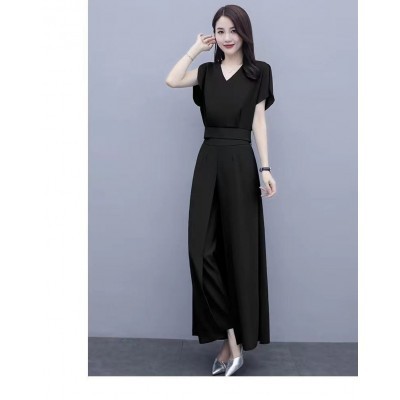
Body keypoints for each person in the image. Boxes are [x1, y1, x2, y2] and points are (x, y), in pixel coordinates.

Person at [165, 4, 276, 376]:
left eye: (233, 30)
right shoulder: (207, 72)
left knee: (239, 254)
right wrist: (195, 49)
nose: (227, 37)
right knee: (201, 252)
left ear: (244, 33)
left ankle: (234, 347)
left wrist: (265, 168)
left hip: (240, 164)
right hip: (208, 161)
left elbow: (259, 121)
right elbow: (172, 80)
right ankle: (231, 339)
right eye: (220, 30)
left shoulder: (259, 72)